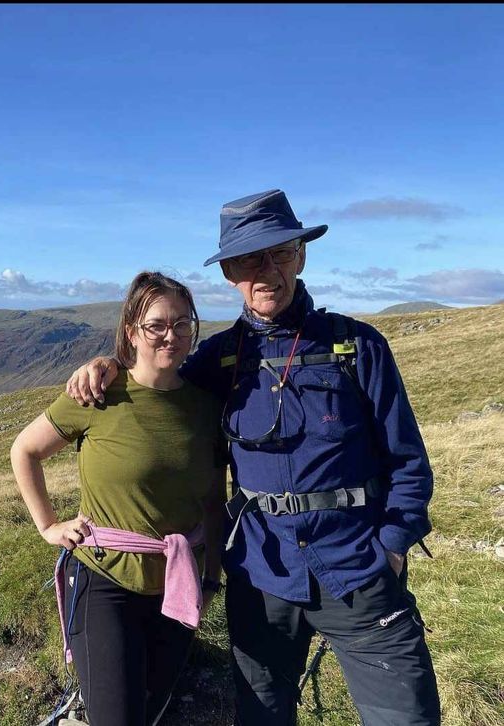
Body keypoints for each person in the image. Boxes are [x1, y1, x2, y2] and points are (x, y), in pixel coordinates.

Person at [66, 189, 440, 726]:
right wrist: (107, 363)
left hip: (359, 568)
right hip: (264, 576)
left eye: (280, 253)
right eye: (248, 259)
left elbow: (408, 463)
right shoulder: (218, 358)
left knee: (408, 719)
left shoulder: (358, 347)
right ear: (229, 274)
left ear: (301, 256)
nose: (267, 271)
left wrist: (393, 546)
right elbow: (155, 387)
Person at [10, 271, 227, 726]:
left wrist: (210, 580)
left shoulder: (207, 407)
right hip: (103, 579)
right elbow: (25, 450)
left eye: (182, 324)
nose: (172, 335)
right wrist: (48, 526)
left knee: (153, 705)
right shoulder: (98, 394)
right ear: (132, 332)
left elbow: (211, 497)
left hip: (177, 581)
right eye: (157, 325)